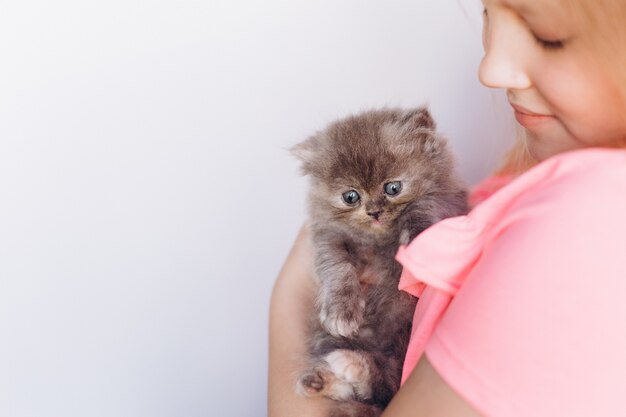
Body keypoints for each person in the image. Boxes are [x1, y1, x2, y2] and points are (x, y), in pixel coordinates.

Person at [269, 0, 626, 415]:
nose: (489, 70)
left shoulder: (594, 212)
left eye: (548, 36)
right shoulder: (519, 184)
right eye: (488, 15)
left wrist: (292, 289)